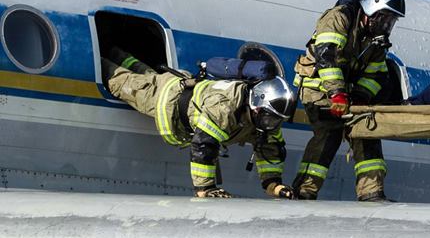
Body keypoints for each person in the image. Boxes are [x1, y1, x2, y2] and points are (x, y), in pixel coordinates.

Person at [102, 49, 297, 199]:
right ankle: (102, 56)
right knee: (120, 81)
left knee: (142, 72)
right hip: (165, 97)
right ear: (257, 105)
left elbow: (271, 151)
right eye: (271, 118)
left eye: (277, 119)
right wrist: (206, 189)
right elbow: (203, 145)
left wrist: (275, 186)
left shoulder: (264, 122)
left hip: (179, 84)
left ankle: (114, 51)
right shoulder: (225, 108)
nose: (272, 124)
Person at [292, 0, 405, 202]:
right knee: (329, 133)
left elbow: (376, 72)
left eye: (392, 22)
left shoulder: (377, 41)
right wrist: (337, 94)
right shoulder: (339, 18)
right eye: (385, 19)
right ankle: (305, 190)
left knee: (367, 132)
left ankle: (371, 192)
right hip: (319, 89)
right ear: (372, 10)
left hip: (348, 93)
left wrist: (362, 97)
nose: (388, 26)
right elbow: (327, 56)